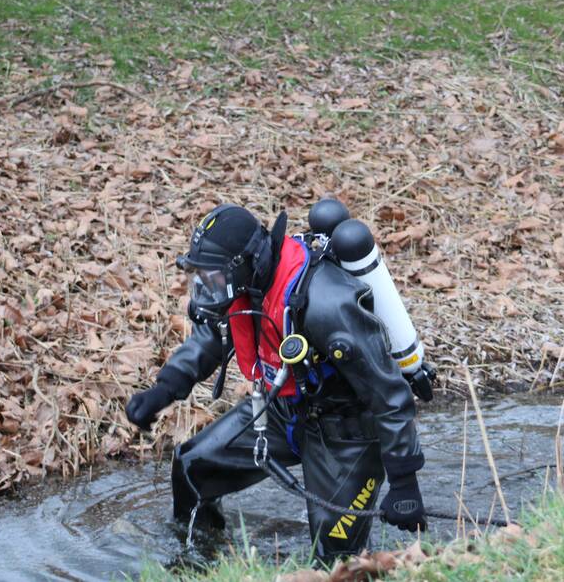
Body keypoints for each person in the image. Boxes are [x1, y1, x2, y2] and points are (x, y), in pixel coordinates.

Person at [124, 204, 427, 563]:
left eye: (212, 276)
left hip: (347, 433)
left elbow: (388, 392)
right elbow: (213, 336)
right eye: (202, 277)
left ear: (242, 264)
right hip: (285, 410)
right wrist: (165, 388)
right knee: (194, 466)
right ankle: (198, 561)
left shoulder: (326, 304)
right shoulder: (245, 283)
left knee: (334, 559)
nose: (207, 286)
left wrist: (404, 480)